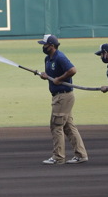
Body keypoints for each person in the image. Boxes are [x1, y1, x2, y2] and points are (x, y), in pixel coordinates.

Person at [37, 35, 88, 165]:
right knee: (68, 127)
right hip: (57, 96)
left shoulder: (60, 57)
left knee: (56, 125)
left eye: (44, 44)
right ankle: (81, 154)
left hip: (63, 96)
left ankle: (58, 157)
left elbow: (72, 70)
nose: (43, 47)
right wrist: (45, 76)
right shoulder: (48, 59)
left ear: (52, 46)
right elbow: (51, 75)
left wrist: (60, 79)